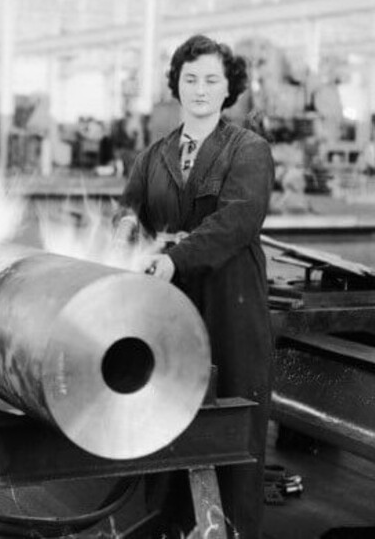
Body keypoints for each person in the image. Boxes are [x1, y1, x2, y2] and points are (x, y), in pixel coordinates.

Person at [119, 35, 275, 538]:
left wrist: (173, 259)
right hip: (168, 306)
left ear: (229, 89)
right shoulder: (153, 157)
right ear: (176, 86)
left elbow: (238, 220)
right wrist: (126, 234)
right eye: (190, 79)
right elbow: (127, 209)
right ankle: (167, 528)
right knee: (164, 412)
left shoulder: (248, 150)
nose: (200, 89)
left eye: (211, 80)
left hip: (230, 302)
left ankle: (233, 530)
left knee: (232, 420)